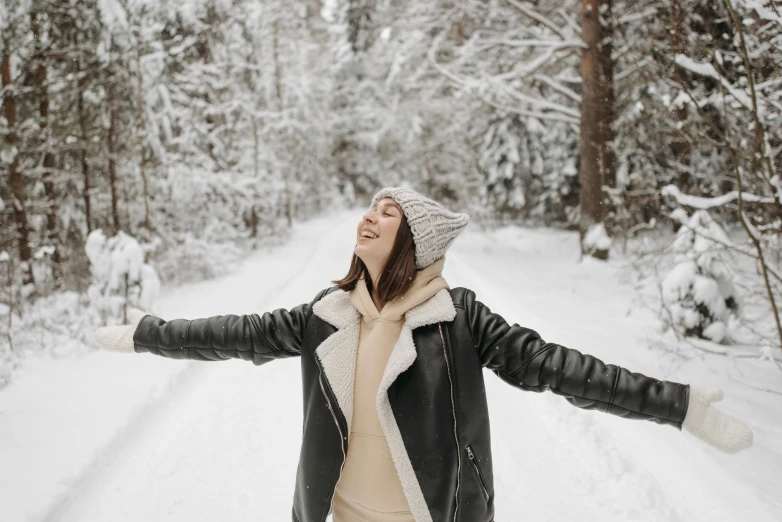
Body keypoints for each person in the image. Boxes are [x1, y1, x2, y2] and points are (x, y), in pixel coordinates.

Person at [94, 187, 753, 522]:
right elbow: (235, 332)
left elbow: (561, 367)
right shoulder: (325, 317)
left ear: (417, 243)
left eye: (390, 213)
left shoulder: (460, 320)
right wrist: (152, 332)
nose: (370, 218)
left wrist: (679, 406)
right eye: (370, 209)